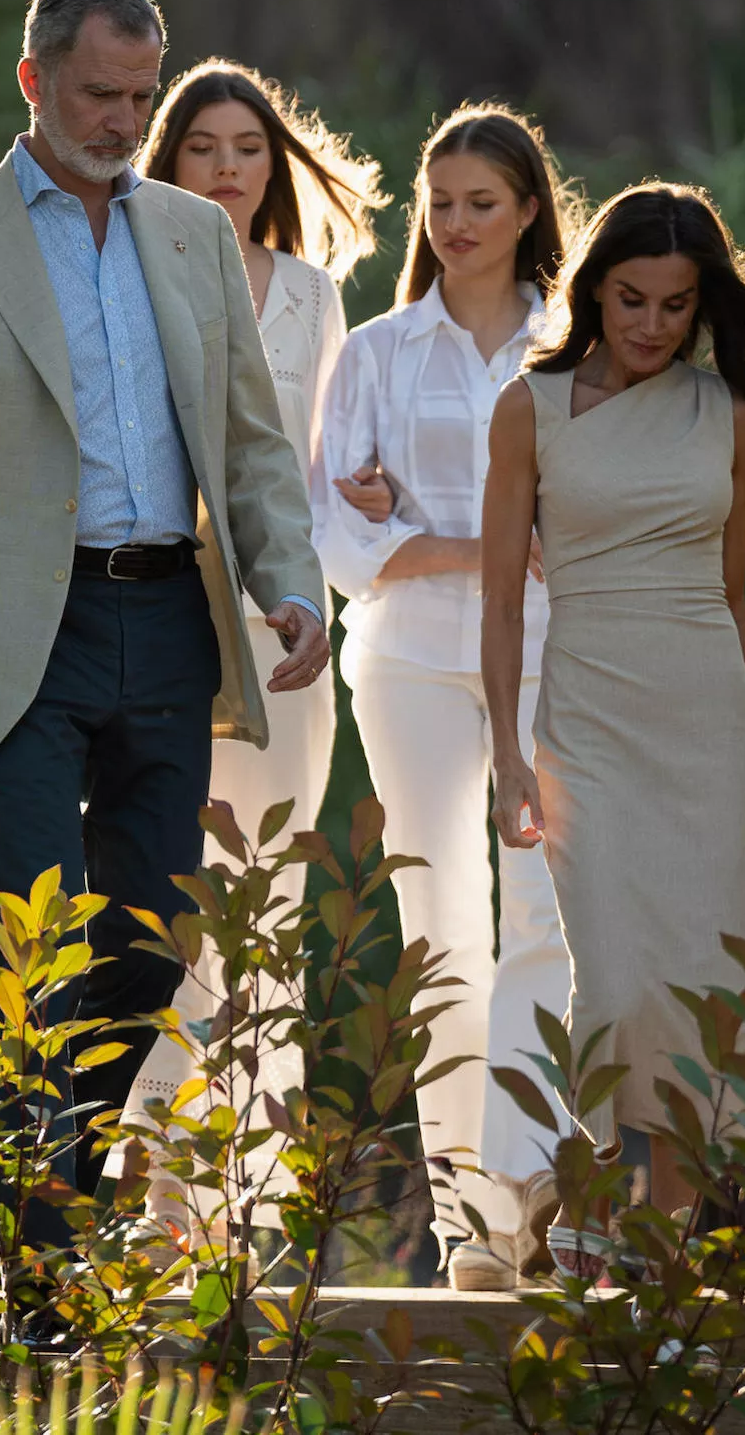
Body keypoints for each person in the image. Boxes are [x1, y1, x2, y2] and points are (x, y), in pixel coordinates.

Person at [0, 0, 330, 1220]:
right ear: (34, 81)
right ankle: (41, 1240)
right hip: (20, 635)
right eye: (98, 93)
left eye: (139, 95)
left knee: (153, 939)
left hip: (169, 620)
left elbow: (251, 438)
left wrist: (293, 581)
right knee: (28, 936)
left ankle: (57, 1171)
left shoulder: (191, 232)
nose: (121, 120)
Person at [480, 182, 745, 1277]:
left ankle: (656, 1230)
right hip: (589, 721)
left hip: (707, 721)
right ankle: (590, 1181)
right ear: (590, 289)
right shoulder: (529, 409)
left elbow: (731, 588)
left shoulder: (730, 411)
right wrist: (509, 754)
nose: (651, 324)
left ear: (703, 305)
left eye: (674, 304)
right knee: (615, 976)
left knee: (710, 976)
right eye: (629, 298)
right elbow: (502, 599)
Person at [118, 60, 389, 1245]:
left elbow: (314, 475)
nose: (227, 168)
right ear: (166, 162)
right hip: (155, 619)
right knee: (167, 900)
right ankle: (160, 1184)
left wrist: (364, 496)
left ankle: (242, 1202)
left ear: (272, 165)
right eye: (201, 148)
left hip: (280, 630)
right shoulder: (124, 270)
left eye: (246, 148)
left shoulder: (313, 295)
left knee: (266, 906)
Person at [311, 104, 575, 1290]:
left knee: (544, 910)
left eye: (481, 202)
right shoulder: (372, 352)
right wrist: (477, 548)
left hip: (555, 657)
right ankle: (471, 1221)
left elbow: (587, 520)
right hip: (408, 662)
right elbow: (334, 536)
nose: (456, 223)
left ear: (528, 209)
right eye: (440, 203)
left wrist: (419, 525)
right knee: (440, 928)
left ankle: (530, 1192)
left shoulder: (574, 349)